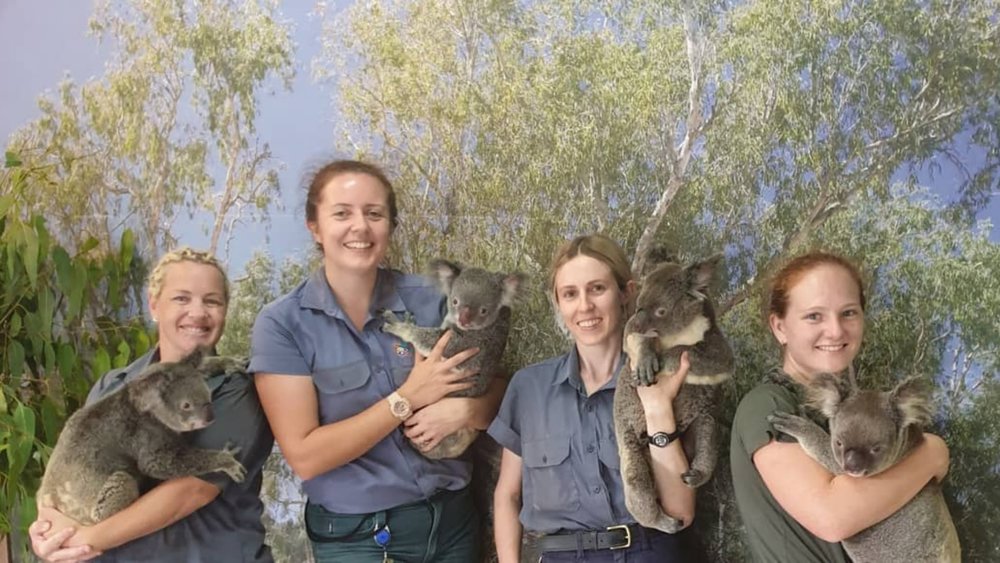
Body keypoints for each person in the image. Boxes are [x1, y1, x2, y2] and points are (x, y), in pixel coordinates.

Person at [249, 159, 505, 562]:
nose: (360, 227)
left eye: (374, 214)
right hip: (360, 539)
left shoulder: (434, 299)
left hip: (454, 523)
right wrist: (406, 397)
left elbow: (499, 387)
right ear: (313, 226)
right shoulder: (282, 325)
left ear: (391, 225)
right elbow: (306, 456)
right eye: (342, 213)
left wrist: (468, 410)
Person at [29, 247, 274, 563]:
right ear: (154, 304)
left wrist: (80, 541)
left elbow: (188, 493)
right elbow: (66, 468)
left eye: (212, 301)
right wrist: (47, 528)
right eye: (181, 299)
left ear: (225, 311)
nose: (198, 312)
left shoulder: (240, 388)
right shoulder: (112, 386)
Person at [489, 234, 702, 563]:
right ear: (558, 304)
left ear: (626, 293)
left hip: (650, 549)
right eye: (570, 294)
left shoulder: (665, 378)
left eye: (597, 288)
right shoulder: (528, 388)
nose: (584, 305)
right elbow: (508, 494)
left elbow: (680, 511)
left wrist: (657, 406)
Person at [729, 250, 951, 563]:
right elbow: (831, 517)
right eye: (814, 316)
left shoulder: (859, 407)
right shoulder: (768, 403)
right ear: (779, 327)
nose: (835, 330)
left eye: (848, 313)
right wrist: (932, 454)